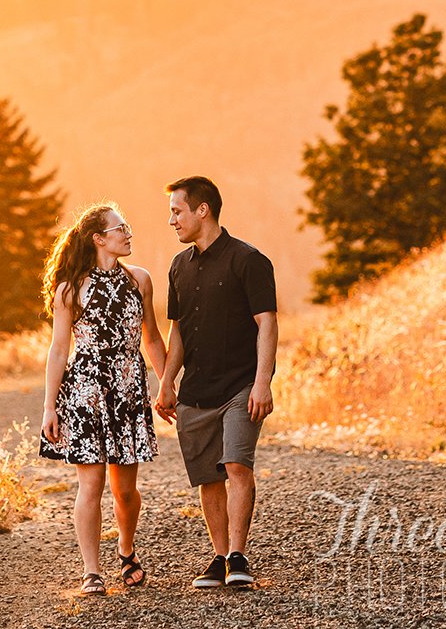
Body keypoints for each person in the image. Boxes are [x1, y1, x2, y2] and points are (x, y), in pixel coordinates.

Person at [155, 175, 278, 590]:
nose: (171, 220)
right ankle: (220, 556)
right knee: (209, 476)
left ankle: (240, 555)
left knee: (236, 465)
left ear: (202, 210)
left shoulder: (249, 260)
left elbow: (268, 324)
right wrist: (167, 381)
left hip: (241, 385)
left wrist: (263, 382)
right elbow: (178, 334)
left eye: (177, 211)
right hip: (196, 391)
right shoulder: (178, 267)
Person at [40, 203, 168, 596]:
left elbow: (151, 338)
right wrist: (49, 407)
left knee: (125, 491)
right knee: (90, 485)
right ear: (99, 238)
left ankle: (127, 550)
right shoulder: (70, 287)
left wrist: (167, 385)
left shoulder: (140, 280)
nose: (128, 234)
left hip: (129, 393)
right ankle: (91, 571)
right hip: (85, 393)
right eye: (120, 228)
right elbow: (59, 349)